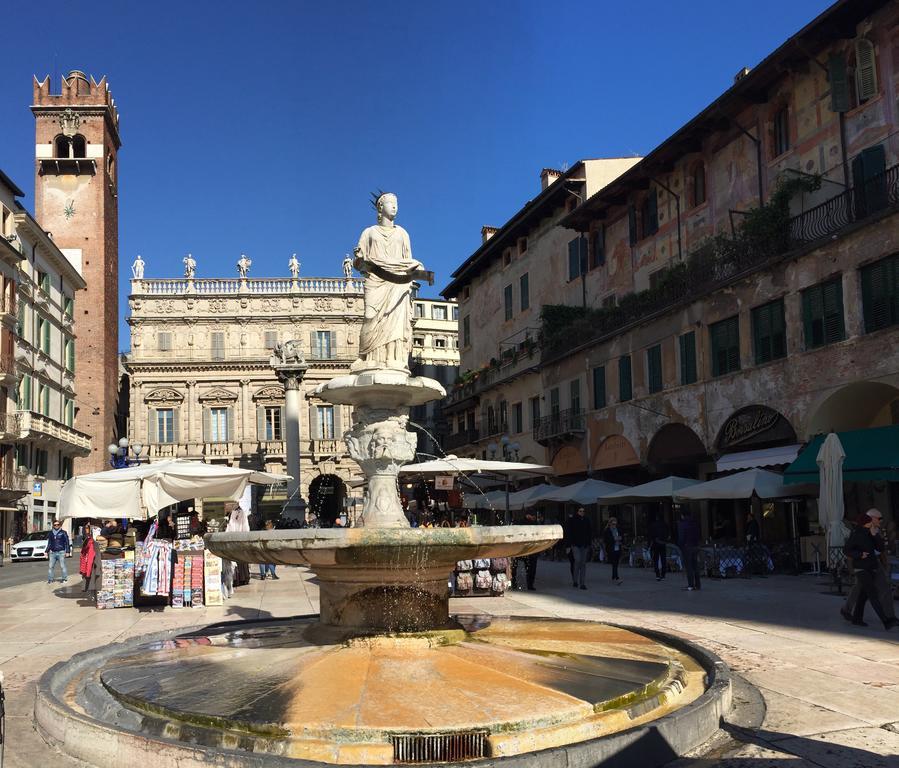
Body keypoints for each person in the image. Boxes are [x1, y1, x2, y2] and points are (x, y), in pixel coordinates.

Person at [352, 192, 432, 371]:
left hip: (397, 282)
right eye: (391, 203)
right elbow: (359, 263)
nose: (395, 206)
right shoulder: (369, 232)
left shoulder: (402, 233)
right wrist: (359, 259)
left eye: (396, 203)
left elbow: (407, 260)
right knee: (370, 317)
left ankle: (392, 357)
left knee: (395, 320)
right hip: (376, 280)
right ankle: (365, 355)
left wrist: (417, 268)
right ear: (380, 207)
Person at [842, 510, 897, 630]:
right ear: (870, 519)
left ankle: (856, 617)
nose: (881, 521)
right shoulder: (856, 533)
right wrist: (859, 555)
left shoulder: (873, 532)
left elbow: (880, 548)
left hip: (872, 566)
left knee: (864, 593)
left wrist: (874, 535)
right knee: (871, 594)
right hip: (861, 568)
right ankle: (887, 621)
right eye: (879, 518)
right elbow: (847, 550)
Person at [568, 507, 593, 590]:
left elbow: (590, 532)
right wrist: (569, 544)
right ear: (577, 512)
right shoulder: (573, 520)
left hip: (584, 545)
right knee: (578, 561)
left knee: (583, 563)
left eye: (583, 511)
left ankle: (582, 583)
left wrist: (589, 543)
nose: (582, 512)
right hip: (575, 544)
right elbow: (569, 532)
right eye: (580, 511)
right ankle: (575, 580)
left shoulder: (586, 520)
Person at [677, 509, 701, 591]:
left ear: (682, 515)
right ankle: (698, 585)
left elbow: (681, 537)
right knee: (695, 566)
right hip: (695, 546)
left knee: (689, 566)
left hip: (687, 547)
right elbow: (698, 534)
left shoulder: (682, 524)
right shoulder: (695, 523)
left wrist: (680, 545)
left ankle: (690, 585)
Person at [79, 523, 102, 601]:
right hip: (89, 564)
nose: (86, 530)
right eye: (85, 528)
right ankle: (93, 595)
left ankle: (93, 594)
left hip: (90, 564)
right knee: (92, 579)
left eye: (87, 528)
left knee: (92, 580)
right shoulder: (89, 541)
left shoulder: (91, 541)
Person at [648, 512, 670, 581]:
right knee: (663, 559)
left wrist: (650, 544)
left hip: (655, 544)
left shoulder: (653, 525)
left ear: (657, 518)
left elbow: (650, 535)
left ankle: (657, 575)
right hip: (663, 544)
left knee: (656, 560)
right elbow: (668, 535)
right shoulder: (665, 525)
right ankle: (663, 575)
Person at [602, 517, 624, 585]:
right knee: (614, 563)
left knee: (616, 563)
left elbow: (622, 537)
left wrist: (620, 539)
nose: (614, 525)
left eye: (615, 524)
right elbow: (606, 540)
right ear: (610, 523)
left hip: (618, 548)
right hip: (611, 548)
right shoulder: (607, 531)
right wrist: (615, 539)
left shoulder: (618, 530)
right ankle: (617, 578)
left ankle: (613, 576)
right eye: (613, 524)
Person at [562, 511, 576, 585]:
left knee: (573, 563)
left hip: (569, 546)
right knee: (574, 562)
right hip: (574, 546)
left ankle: (574, 578)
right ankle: (575, 578)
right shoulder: (575, 524)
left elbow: (564, 536)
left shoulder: (566, 524)